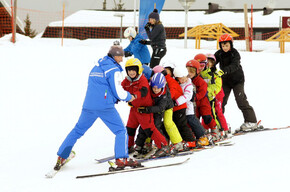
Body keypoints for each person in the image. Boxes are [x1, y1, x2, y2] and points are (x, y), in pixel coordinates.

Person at [54, 45, 141, 170]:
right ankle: (122, 159)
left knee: (77, 131)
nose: (122, 60)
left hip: (88, 106)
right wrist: (129, 96)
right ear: (115, 56)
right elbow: (118, 92)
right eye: (121, 57)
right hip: (105, 106)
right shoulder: (113, 70)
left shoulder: (96, 67)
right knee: (121, 131)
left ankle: (62, 156)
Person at [121, 58, 170, 158]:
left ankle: (163, 146)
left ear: (138, 70)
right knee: (130, 128)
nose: (131, 72)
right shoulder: (127, 81)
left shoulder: (142, 79)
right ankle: (128, 145)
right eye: (129, 70)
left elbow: (143, 91)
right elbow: (120, 88)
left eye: (133, 70)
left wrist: (134, 96)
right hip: (134, 109)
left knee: (149, 129)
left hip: (144, 109)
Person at [214, 33, 258, 131]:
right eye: (222, 45)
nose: (224, 47)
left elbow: (235, 65)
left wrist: (224, 71)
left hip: (237, 80)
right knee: (221, 101)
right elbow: (212, 62)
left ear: (231, 44)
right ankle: (219, 123)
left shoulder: (235, 53)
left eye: (226, 45)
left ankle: (251, 121)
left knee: (240, 100)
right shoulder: (219, 54)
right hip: (225, 81)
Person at [137, 72, 184, 155]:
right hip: (154, 108)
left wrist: (147, 109)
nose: (155, 90)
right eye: (154, 87)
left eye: (158, 88)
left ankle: (177, 143)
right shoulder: (150, 89)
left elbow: (161, 108)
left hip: (166, 108)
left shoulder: (164, 95)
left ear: (162, 86)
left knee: (167, 123)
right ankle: (147, 143)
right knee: (149, 123)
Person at [154, 63, 197, 149]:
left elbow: (172, 92)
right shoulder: (167, 80)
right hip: (174, 107)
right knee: (175, 124)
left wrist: (167, 100)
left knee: (181, 124)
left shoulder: (169, 80)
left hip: (179, 107)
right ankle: (175, 140)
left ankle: (190, 141)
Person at [173, 66, 209, 146]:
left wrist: (177, 102)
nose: (183, 80)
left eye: (184, 78)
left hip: (188, 108)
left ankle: (202, 136)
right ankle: (189, 137)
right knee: (185, 123)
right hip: (182, 109)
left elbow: (188, 96)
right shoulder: (179, 84)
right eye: (181, 79)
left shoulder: (188, 85)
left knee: (192, 121)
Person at [186, 59, 219, 141]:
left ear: (197, 72)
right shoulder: (186, 80)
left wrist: (194, 97)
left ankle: (215, 129)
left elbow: (202, 92)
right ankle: (195, 133)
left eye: (192, 72)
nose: (189, 74)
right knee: (194, 119)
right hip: (194, 104)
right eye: (188, 72)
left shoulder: (201, 81)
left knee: (207, 116)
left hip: (203, 102)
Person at [205, 53, 230, 135]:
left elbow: (218, 85)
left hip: (217, 95)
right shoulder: (204, 73)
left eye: (211, 62)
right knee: (207, 111)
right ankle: (206, 128)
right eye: (207, 62)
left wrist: (214, 93)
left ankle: (224, 128)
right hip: (209, 95)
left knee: (218, 111)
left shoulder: (216, 73)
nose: (209, 64)